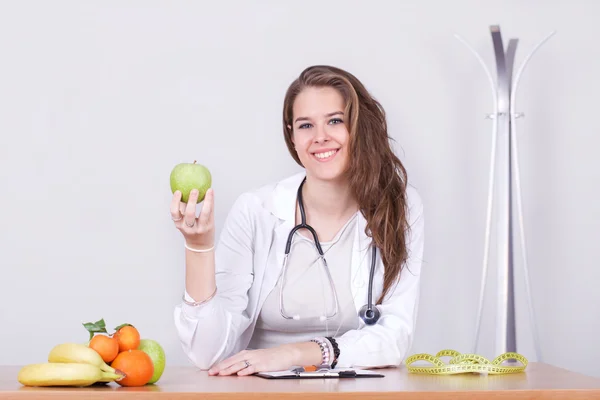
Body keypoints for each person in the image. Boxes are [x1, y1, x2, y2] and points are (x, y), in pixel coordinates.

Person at [171, 65, 425, 376]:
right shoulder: (257, 211)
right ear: (292, 137)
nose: (320, 137)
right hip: (259, 391)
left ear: (358, 128)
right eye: (305, 126)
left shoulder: (398, 205)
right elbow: (206, 353)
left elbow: (394, 337)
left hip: (356, 392)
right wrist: (198, 246)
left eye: (335, 121)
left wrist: (294, 353)